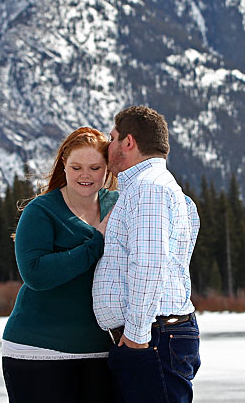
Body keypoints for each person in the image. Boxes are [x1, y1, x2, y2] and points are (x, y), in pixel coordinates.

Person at [2, 127, 120, 403]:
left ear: (107, 169)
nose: (85, 175)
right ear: (63, 164)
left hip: (102, 353)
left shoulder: (117, 204)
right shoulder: (41, 210)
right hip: (40, 351)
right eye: (77, 166)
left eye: (94, 167)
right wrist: (96, 243)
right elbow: (36, 273)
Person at [92, 105, 201, 402]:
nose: (108, 146)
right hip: (153, 337)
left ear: (128, 142)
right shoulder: (153, 187)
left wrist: (136, 336)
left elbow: (150, 264)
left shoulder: (148, 188)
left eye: (112, 138)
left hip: (151, 339)